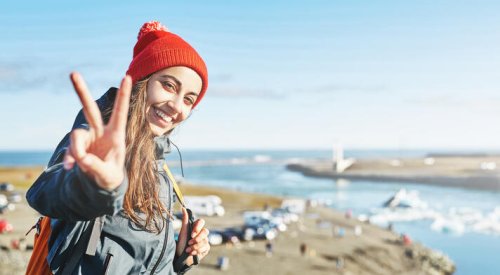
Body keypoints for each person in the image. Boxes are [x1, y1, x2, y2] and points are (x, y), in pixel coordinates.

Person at [26, 21, 210, 274]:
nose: (178, 106)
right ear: (141, 81)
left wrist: (180, 260)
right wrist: (97, 186)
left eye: (189, 99)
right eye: (169, 85)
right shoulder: (98, 142)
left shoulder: (161, 169)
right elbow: (44, 193)